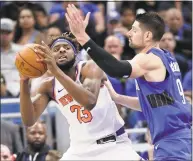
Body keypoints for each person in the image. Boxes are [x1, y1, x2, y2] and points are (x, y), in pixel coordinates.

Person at [65, 4, 192, 161]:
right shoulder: (166, 57)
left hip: (172, 142)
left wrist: (83, 37)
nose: (129, 33)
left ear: (147, 36)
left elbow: (116, 69)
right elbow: (152, 103)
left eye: (134, 30)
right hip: (176, 139)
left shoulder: (148, 59)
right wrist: (118, 98)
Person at [18, 33, 142, 160]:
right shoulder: (48, 86)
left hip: (112, 144)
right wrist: (23, 82)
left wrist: (56, 71)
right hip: (79, 150)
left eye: (66, 47)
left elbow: (89, 101)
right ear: (50, 56)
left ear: (76, 53)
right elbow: (29, 120)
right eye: (56, 49)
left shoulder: (91, 67)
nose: (61, 50)